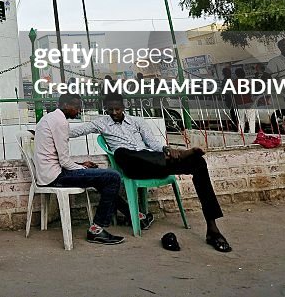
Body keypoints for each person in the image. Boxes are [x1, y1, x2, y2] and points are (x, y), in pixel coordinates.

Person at [88, 93, 232, 253]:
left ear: (124, 107)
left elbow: (153, 143)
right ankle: (169, 157)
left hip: (155, 163)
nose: (114, 112)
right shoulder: (101, 123)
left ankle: (213, 230)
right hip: (133, 168)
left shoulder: (137, 122)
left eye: (117, 108)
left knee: (198, 162)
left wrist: (167, 149)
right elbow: (75, 131)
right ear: (105, 109)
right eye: (110, 109)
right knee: (121, 152)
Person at [33, 94, 125, 244]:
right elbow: (63, 161)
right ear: (66, 106)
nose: (79, 110)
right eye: (76, 107)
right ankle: (97, 229)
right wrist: (80, 167)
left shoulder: (49, 118)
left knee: (102, 179)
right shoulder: (60, 122)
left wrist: (81, 165)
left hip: (49, 173)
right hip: (56, 177)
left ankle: (130, 214)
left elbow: (58, 157)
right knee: (113, 176)